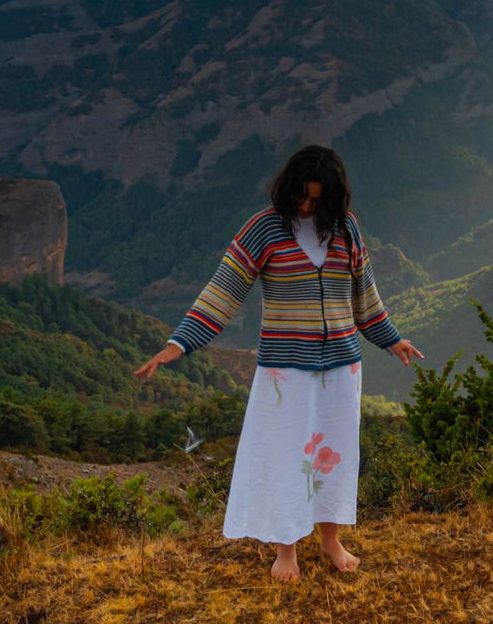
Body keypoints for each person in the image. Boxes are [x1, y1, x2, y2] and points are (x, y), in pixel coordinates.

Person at [132, 144, 423, 581]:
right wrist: (179, 344)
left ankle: (331, 540)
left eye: (316, 198)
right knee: (287, 456)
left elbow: (365, 298)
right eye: (300, 196)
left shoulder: (347, 230)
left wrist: (391, 339)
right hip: (286, 370)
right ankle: (286, 550)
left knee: (334, 457)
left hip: (342, 369)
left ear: (333, 196)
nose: (306, 205)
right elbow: (223, 292)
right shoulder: (263, 230)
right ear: (287, 189)